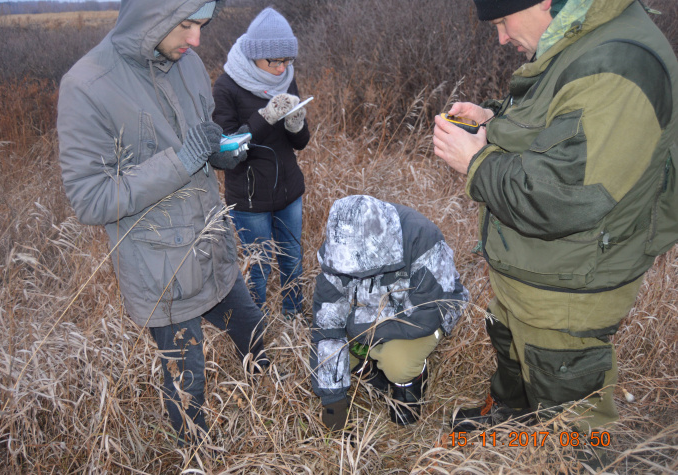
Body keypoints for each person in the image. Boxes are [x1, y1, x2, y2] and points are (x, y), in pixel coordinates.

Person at [433, 0, 678, 434]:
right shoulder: (576, 32)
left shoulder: (619, 65)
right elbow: (557, 126)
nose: (502, 38)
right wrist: (492, 122)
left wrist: (477, 164)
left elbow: (558, 199)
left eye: (503, 21)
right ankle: (511, 421)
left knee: (572, 423)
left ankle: (571, 458)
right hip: (534, 266)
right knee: (511, 345)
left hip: (569, 284)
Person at [57, 0, 270, 445]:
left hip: (214, 250)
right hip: (163, 274)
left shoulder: (186, 63)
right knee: (187, 385)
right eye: (186, 24)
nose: (196, 40)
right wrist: (183, 158)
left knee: (256, 334)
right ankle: (197, 456)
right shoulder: (86, 85)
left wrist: (220, 152)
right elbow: (90, 200)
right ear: (151, 14)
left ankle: (275, 405)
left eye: (201, 25)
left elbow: (201, 134)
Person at [309, 195, 469, 429]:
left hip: (428, 312)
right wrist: (333, 402)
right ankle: (372, 371)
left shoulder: (421, 236)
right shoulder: (339, 248)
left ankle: (410, 387)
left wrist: (356, 330)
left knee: (397, 362)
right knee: (340, 353)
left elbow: (426, 314)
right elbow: (327, 326)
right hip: (373, 315)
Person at [212, 7, 310, 320]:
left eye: (287, 61)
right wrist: (265, 118)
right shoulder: (226, 87)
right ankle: (257, 325)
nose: (282, 69)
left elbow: (300, 143)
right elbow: (225, 154)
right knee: (258, 267)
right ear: (255, 56)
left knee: (293, 259)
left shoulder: (287, 79)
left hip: (289, 192)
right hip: (250, 200)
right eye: (274, 61)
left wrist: (296, 125)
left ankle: (293, 317)